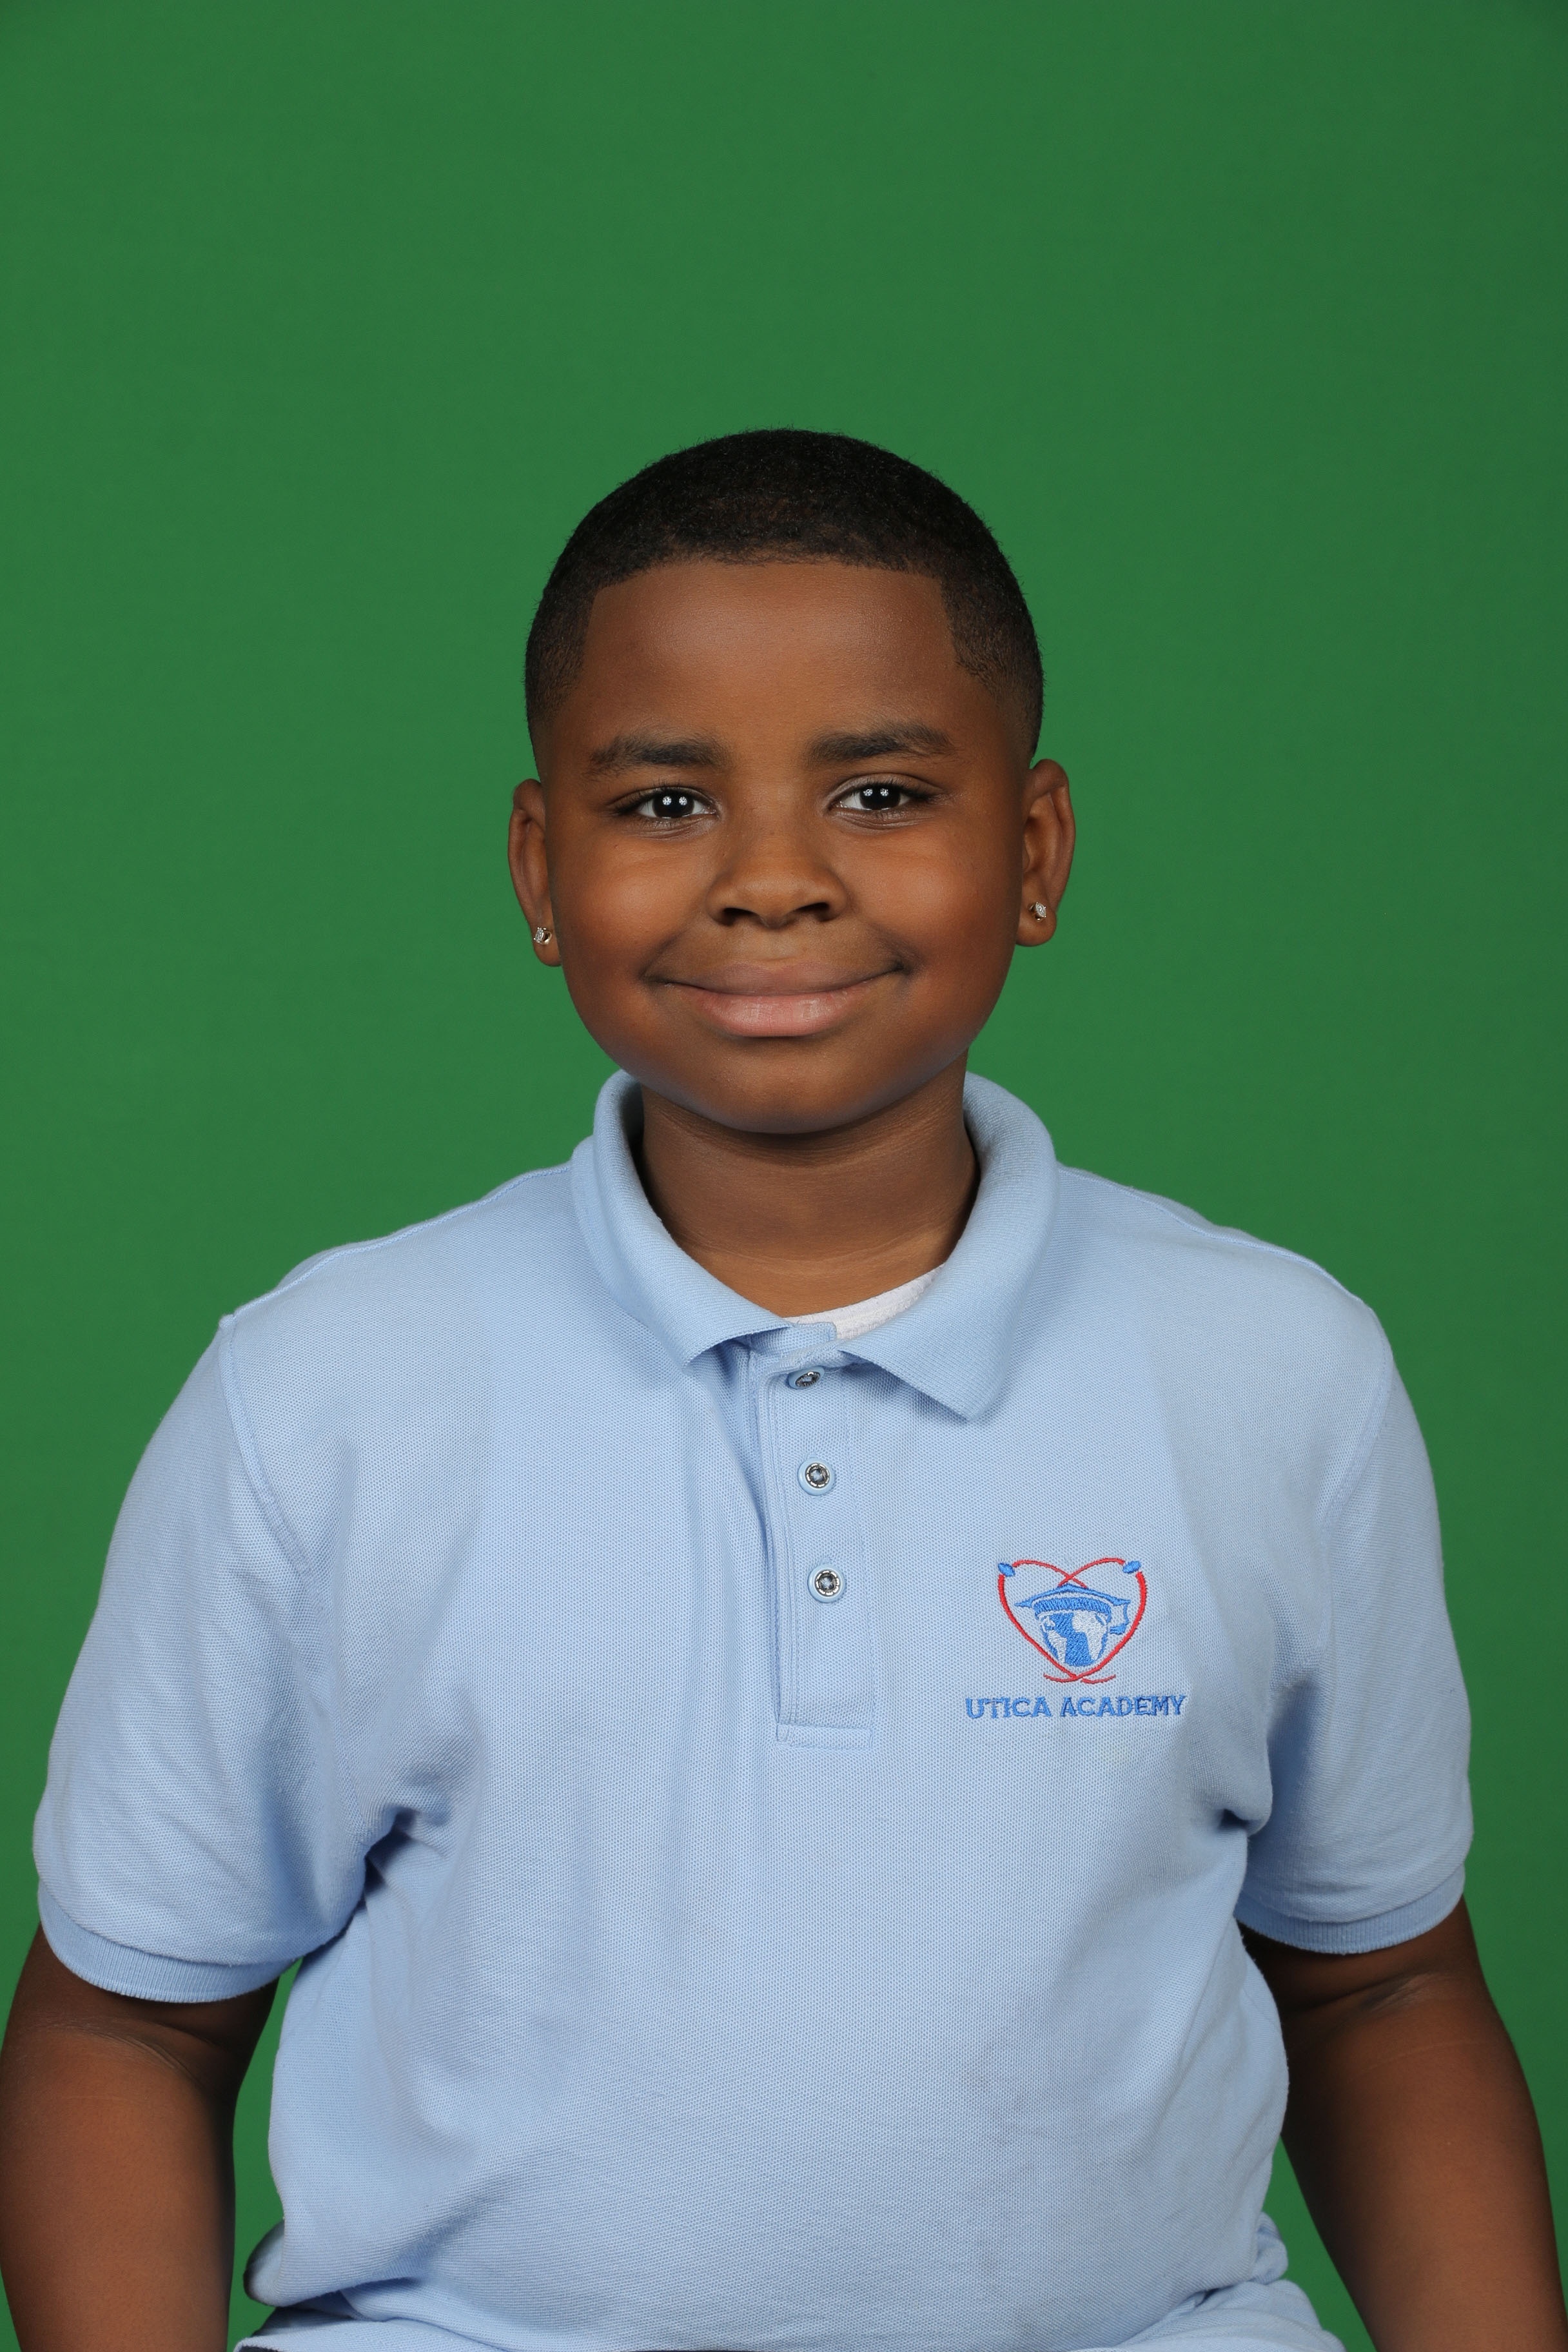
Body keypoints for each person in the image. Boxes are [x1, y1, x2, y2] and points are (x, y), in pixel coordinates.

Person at [0, 429, 1561, 2352]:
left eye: (881, 792)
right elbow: (130, 2028)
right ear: (540, 869)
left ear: (1037, 852)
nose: (771, 882)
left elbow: (1379, 1988)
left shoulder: (1276, 1372)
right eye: (665, 802)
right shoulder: (322, 1396)